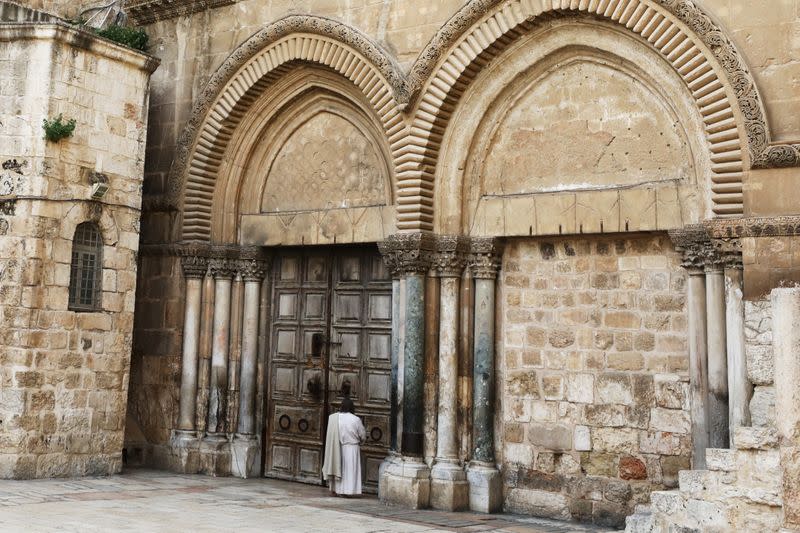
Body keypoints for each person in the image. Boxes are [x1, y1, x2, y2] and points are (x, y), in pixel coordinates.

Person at [322, 397, 366, 496]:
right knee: (350, 470)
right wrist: (362, 441)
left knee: (339, 468)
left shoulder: (335, 418)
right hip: (352, 447)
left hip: (339, 447)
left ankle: (337, 489)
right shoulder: (356, 419)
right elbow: (362, 434)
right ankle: (348, 491)